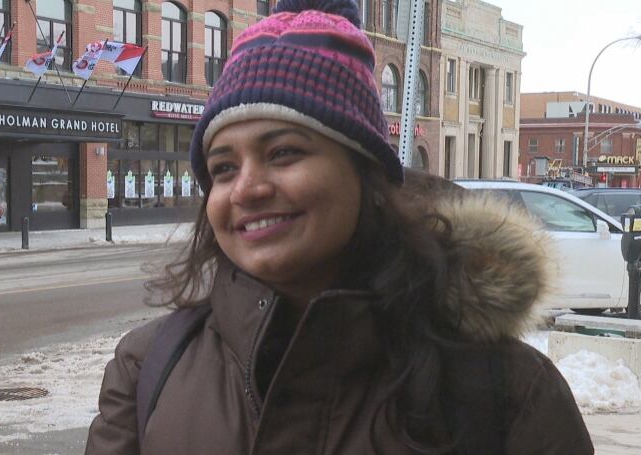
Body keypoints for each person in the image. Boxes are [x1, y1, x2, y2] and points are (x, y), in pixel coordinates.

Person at [85, 0, 594, 453]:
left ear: (366, 173)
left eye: (283, 152)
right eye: (223, 167)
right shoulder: (149, 368)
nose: (246, 189)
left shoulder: (507, 392)